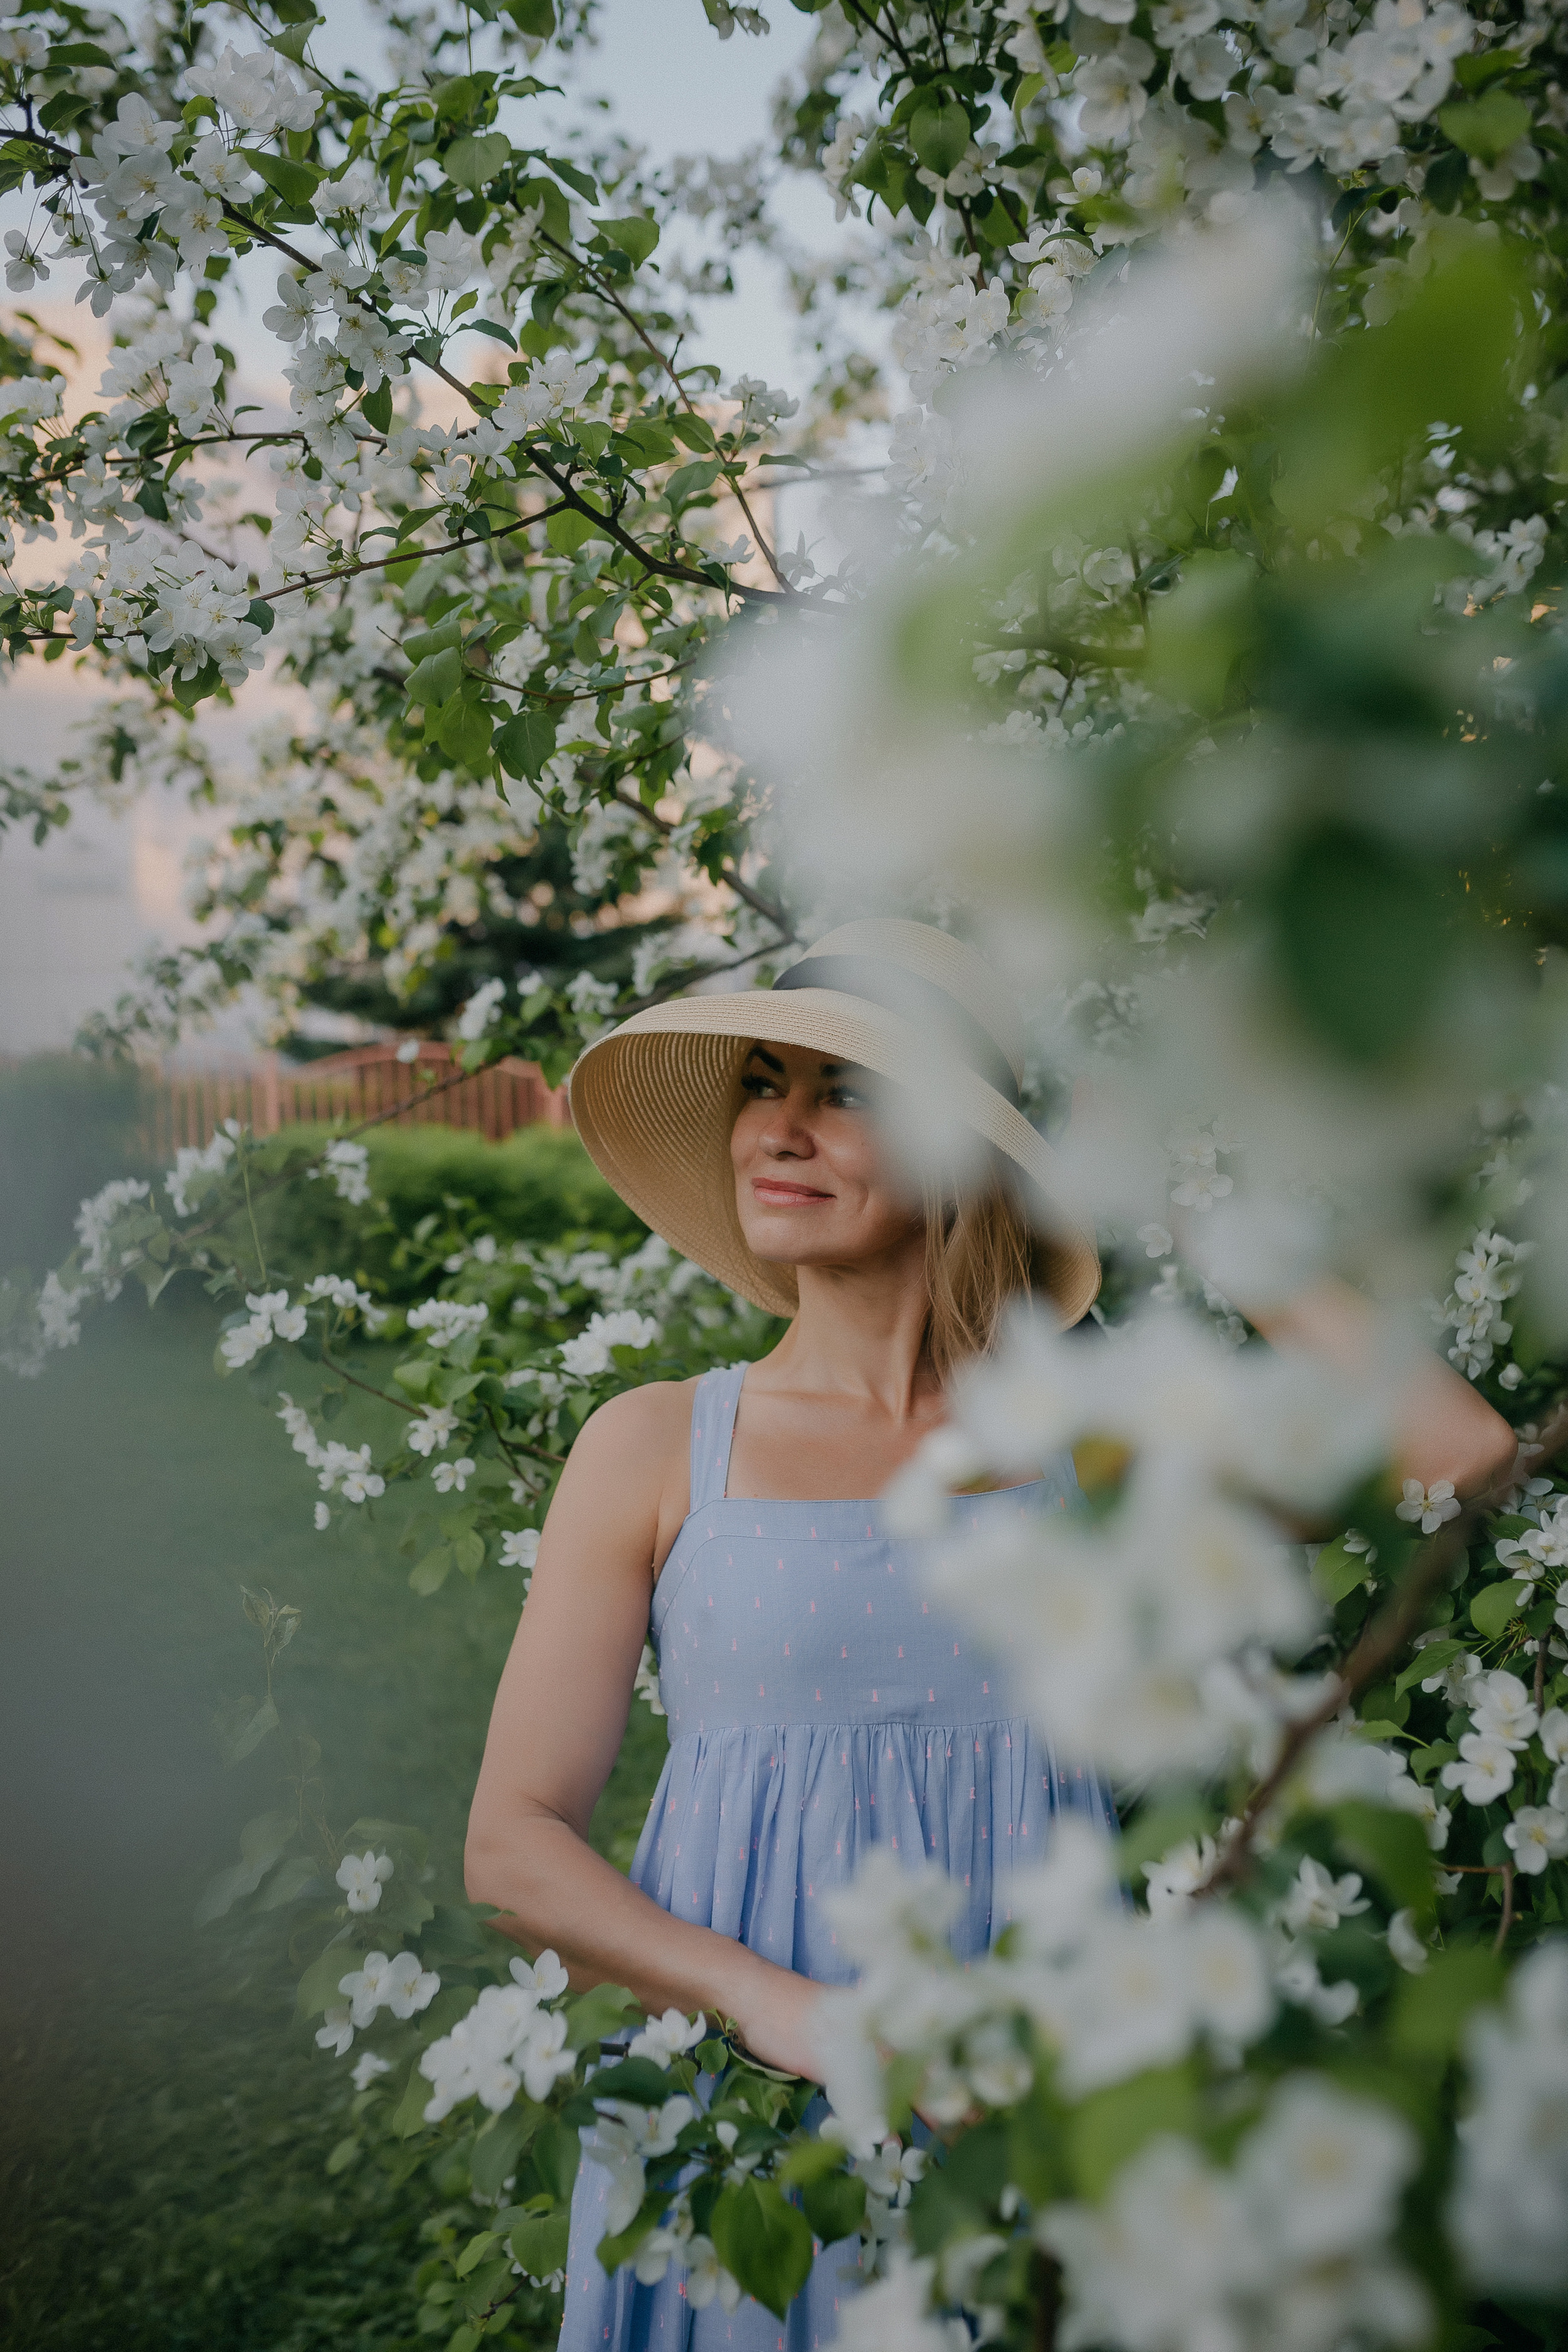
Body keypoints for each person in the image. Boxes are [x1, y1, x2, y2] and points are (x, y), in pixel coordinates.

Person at [464, 918, 1513, 2351]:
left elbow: (1455, 1451)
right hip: (736, 2089)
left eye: (843, 1093)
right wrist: (784, 2012)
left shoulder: (1080, 1451)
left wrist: (1178, 1201)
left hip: (1027, 2088)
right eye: (761, 1083)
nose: (775, 1127)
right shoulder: (656, 1444)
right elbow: (512, 1847)